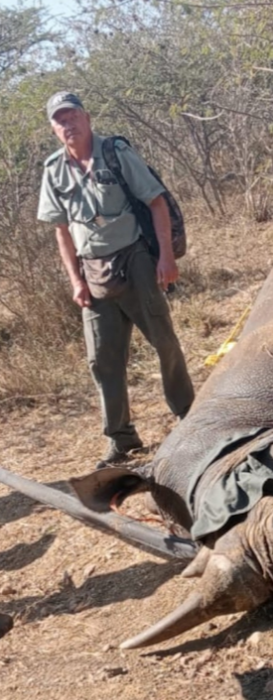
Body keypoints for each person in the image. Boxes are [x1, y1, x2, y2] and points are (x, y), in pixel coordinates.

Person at [37, 91, 194, 469]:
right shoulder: (54, 169)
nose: (68, 124)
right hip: (92, 272)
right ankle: (121, 439)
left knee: (164, 341)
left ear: (87, 117)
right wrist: (76, 281)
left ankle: (189, 417)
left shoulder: (115, 152)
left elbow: (155, 202)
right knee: (102, 358)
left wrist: (166, 258)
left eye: (72, 115)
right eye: (60, 120)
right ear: (53, 129)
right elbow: (61, 231)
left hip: (135, 259)